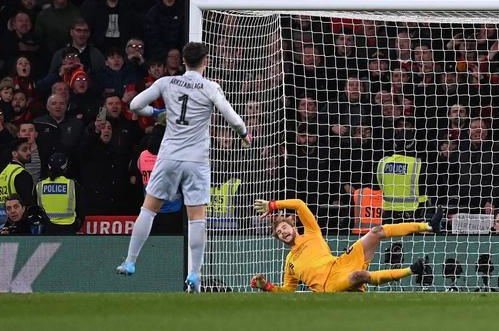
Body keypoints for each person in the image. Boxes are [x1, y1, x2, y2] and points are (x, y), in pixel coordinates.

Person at [117, 42, 251, 292]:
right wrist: (244, 133)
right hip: (196, 161)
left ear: (183, 62)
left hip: (168, 157)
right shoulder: (211, 87)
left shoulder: (167, 83)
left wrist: (157, 113)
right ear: (206, 61)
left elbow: (135, 105)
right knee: (197, 218)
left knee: (148, 209)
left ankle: (130, 261)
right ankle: (194, 273)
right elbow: (231, 116)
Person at [248, 197, 443, 293]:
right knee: (360, 276)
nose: (283, 233)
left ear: (293, 226)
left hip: (340, 263)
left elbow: (299, 204)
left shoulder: (312, 233)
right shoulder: (290, 262)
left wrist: (274, 205)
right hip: (329, 286)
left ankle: (428, 226)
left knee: (375, 232)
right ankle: (412, 270)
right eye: (280, 233)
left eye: (284, 228)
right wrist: (267, 286)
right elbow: (288, 292)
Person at [0, 138, 36, 231]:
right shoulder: (21, 174)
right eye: (24, 150)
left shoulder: (4, 172)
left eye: (29, 149)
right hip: (18, 227)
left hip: (2, 224)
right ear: (14, 154)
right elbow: (27, 203)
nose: (29, 152)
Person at [35, 152, 79, 234]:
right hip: (68, 227)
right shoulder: (72, 184)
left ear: (49, 167)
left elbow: (36, 208)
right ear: (65, 167)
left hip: (47, 229)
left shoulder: (40, 185)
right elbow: (81, 208)